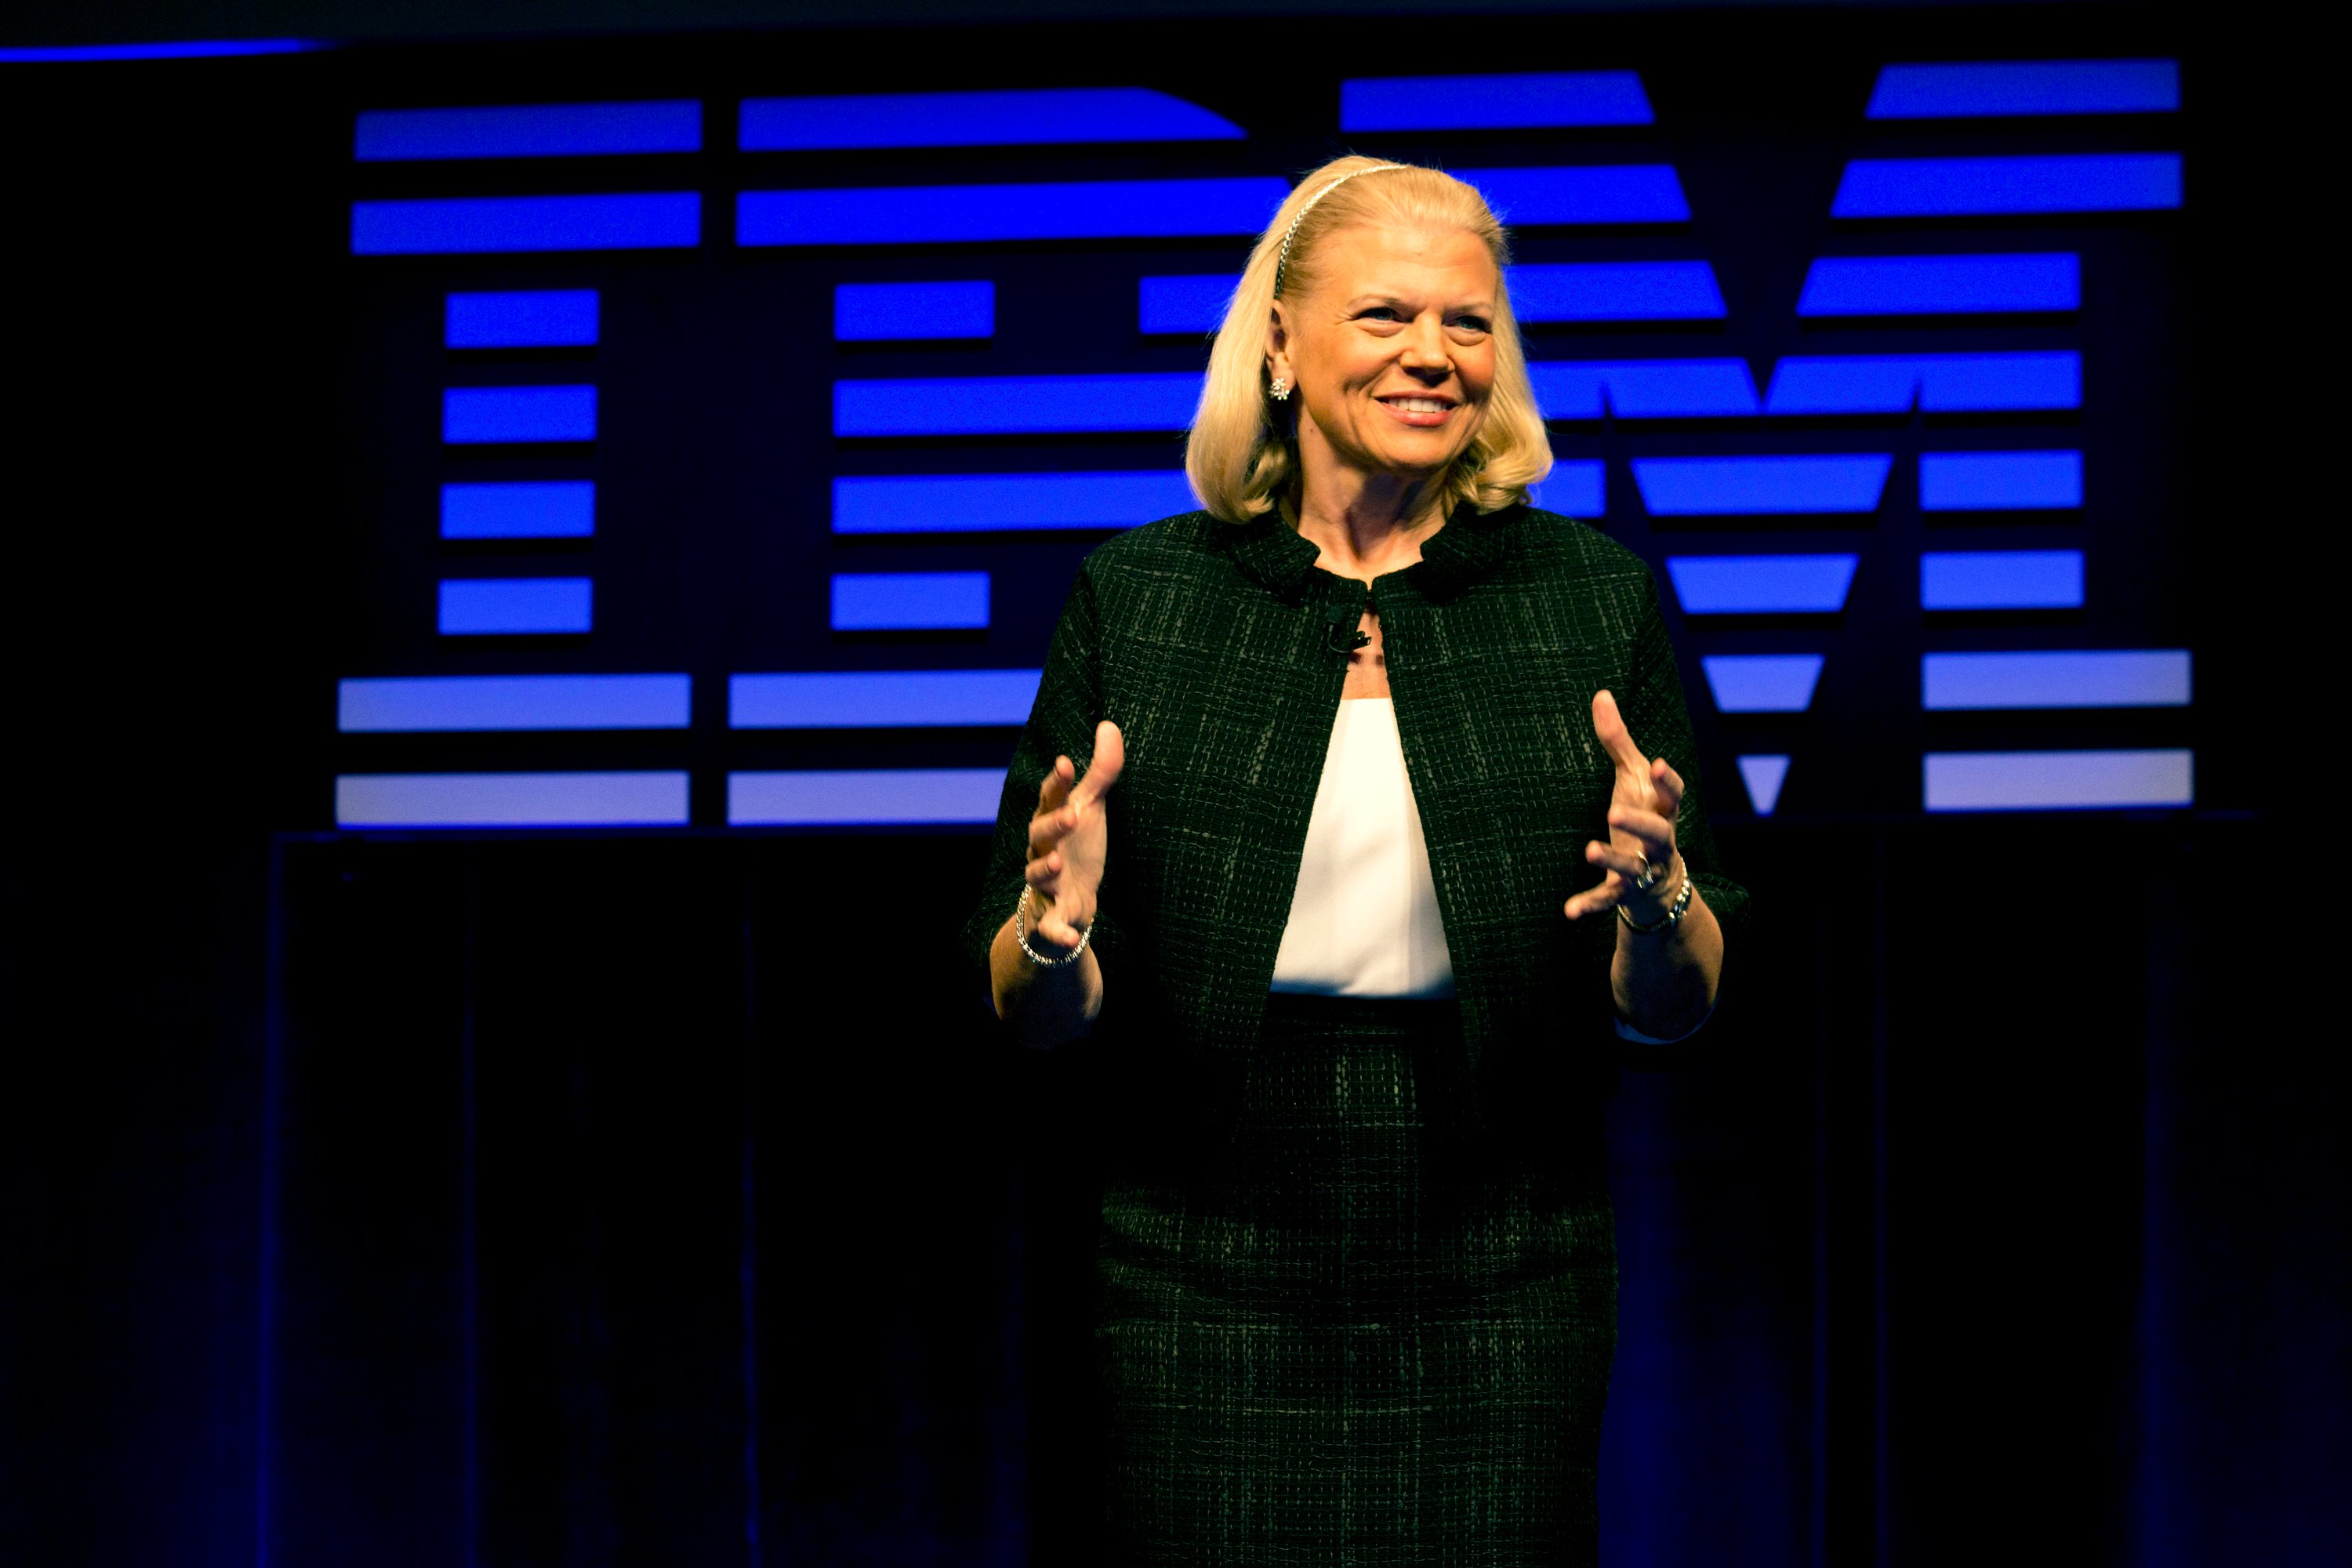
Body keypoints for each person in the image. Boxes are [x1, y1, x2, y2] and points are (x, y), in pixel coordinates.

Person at [960, 154, 1748, 1566]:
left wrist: (1657, 900)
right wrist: (1062, 928)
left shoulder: (1589, 597)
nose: (1434, 357)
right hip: (1202, 1263)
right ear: (1278, 338)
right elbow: (1030, 1008)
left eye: (1469, 322)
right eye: (1386, 315)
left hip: (1501, 1255)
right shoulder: (1142, 599)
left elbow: (1680, 1003)